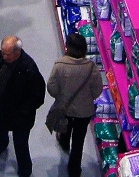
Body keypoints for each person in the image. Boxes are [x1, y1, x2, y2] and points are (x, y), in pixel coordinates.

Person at [0, 36, 46, 177]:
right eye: (2, 52)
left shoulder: (29, 69)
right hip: (2, 108)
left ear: (17, 52)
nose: (3, 56)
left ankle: (25, 170)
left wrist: (23, 111)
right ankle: (0, 146)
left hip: (20, 116)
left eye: (7, 54)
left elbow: (38, 97)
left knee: (20, 144)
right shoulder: (2, 58)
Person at [47, 33, 103, 177]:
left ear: (68, 48)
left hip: (65, 108)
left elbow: (51, 87)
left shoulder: (60, 65)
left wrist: (60, 96)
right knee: (79, 141)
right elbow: (97, 90)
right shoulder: (91, 68)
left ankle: (64, 142)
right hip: (84, 112)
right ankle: (74, 170)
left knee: (65, 128)